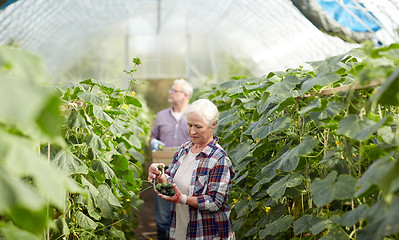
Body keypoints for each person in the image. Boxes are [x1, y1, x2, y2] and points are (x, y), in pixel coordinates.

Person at [148, 99, 236, 240]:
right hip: (180, 228)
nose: (192, 131)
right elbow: (170, 180)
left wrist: (182, 199)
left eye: (198, 127)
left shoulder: (219, 159)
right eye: (189, 125)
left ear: (213, 125)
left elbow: (215, 202)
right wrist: (159, 174)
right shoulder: (184, 149)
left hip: (206, 233)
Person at [149, 79, 193, 240]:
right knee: (162, 216)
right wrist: (153, 141)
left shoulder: (193, 116)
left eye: (174, 91)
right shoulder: (161, 116)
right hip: (163, 169)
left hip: (187, 170)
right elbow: (153, 136)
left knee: (185, 211)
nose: (170, 93)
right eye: (170, 90)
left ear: (185, 95)